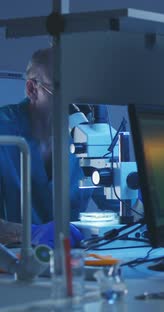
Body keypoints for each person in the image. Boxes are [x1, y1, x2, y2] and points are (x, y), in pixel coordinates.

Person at [0, 47, 89, 248]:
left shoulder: (88, 135)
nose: (75, 102)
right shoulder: (4, 132)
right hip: (12, 263)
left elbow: (129, 206)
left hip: (72, 260)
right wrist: (31, 233)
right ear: (32, 89)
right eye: (63, 89)